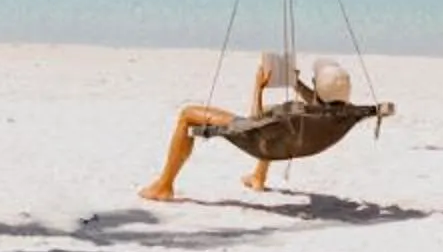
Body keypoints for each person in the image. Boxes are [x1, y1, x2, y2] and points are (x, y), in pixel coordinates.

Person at [139, 51, 351, 202]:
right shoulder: (346, 115)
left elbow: (255, 124)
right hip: (299, 144)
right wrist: (295, 84)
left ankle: (164, 186)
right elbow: (319, 101)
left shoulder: (297, 112)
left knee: (187, 115)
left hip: (256, 140)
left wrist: (258, 88)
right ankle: (258, 177)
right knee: (274, 114)